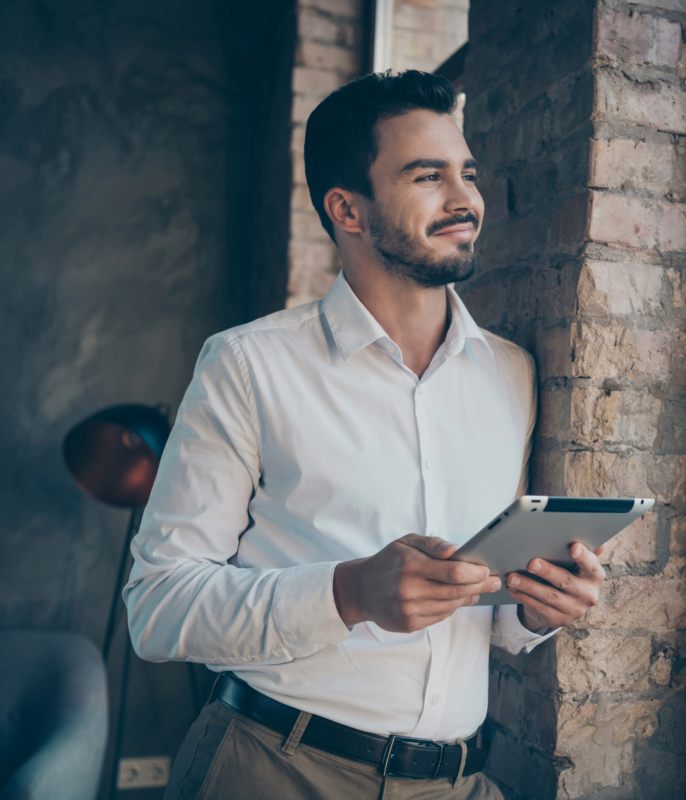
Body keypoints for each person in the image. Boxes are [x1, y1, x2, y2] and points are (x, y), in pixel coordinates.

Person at [122, 71, 607, 800]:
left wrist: (535, 609)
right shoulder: (248, 364)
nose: (464, 199)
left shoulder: (511, 374)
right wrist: (348, 592)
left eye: (466, 174)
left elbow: (490, 612)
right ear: (347, 208)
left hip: (459, 782)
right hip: (272, 771)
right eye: (426, 176)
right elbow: (157, 608)